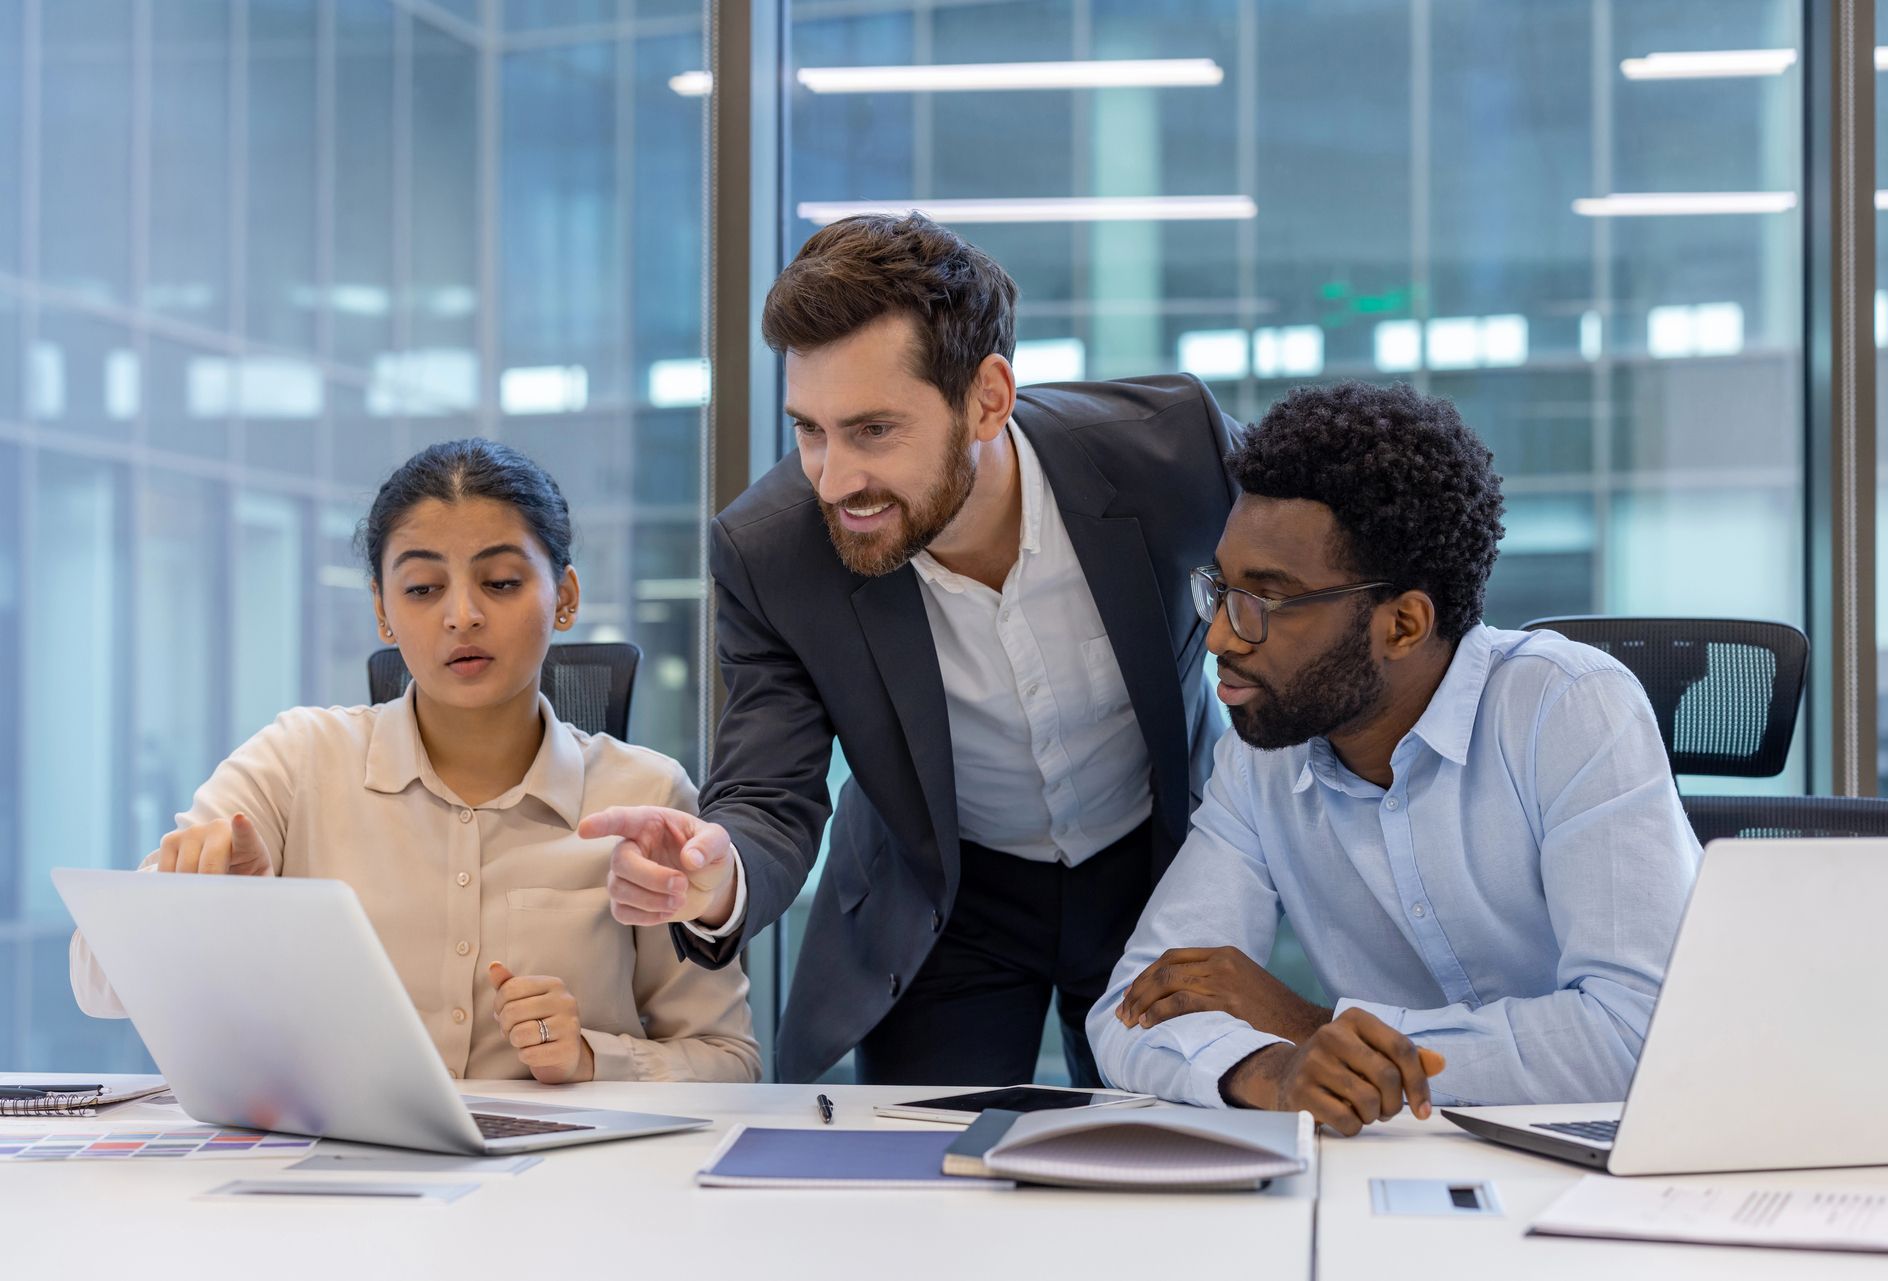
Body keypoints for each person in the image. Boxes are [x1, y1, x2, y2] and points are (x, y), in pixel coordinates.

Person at [580, 213, 1240, 1085]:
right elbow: (767, 790)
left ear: (987, 399)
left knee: (1167, 1161)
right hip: (946, 894)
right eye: (809, 429)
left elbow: (1311, 578)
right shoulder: (770, 550)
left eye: (873, 430)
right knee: (920, 1185)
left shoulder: (1170, 448)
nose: (833, 478)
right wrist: (719, 873)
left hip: (1153, 864)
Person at [1089, 381, 1700, 1135]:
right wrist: (1271, 1069)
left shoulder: (1568, 707)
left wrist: (1313, 1023)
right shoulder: (1263, 754)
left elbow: (1638, 1036)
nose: (1219, 637)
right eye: (1220, 590)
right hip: (1396, 1170)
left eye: (1264, 602)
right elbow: (1130, 1012)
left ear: (1404, 624)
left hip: (1603, 1171)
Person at [70, 439, 760, 1085]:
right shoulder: (296, 761)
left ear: (567, 597)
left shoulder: (643, 793)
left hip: (556, 1193)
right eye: (423, 589)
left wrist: (592, 1057)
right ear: (381, 611)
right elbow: (93, 979)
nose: (461, 615)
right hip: (340, 1180)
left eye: (500, 581)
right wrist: (210, 908)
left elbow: (730, 1059)